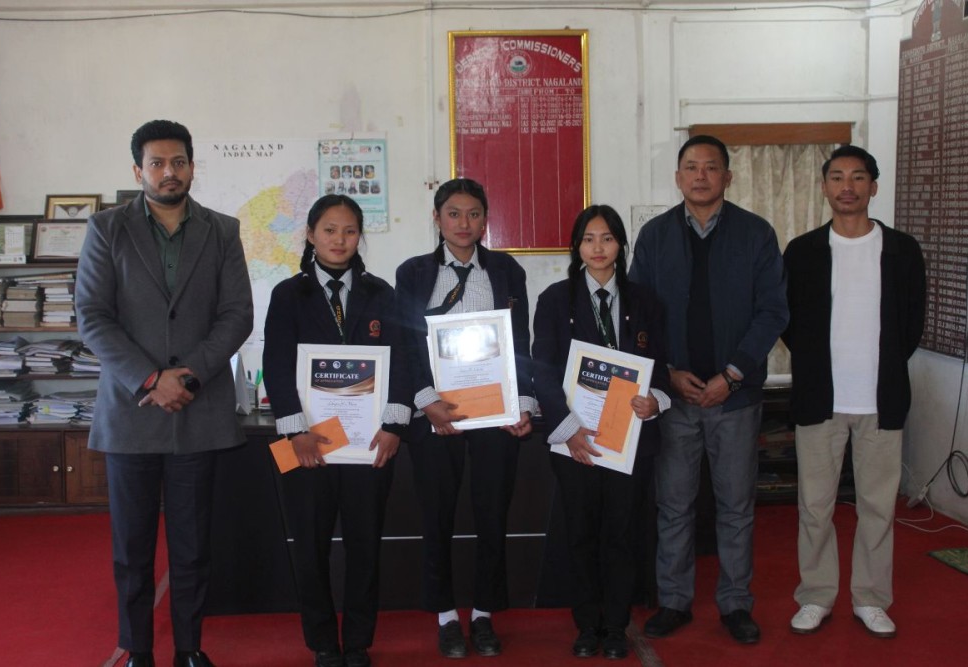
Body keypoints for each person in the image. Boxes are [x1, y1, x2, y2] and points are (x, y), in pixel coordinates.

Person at [76, 119, 253, 667]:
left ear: (192, 166)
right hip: (133, 412)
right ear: (138, 170)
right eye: (156, 163)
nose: (168, 172)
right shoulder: (107, 229)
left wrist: (188, 375)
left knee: (192, 545)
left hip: (198, 410)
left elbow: (236, 315)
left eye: (178, 162)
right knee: (131, 548)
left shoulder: (222, 230)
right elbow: (93, 317)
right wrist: (153, 378)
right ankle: (138, 650)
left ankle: (189, 648)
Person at [629, 134, 788, 644]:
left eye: (711, 167)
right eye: (691, 167)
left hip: (734, 397)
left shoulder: (756, 234)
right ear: (678, 178)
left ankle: (735, 603)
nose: (701, 175)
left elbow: (772, 312)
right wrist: (667, 372)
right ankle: (674, 600)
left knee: (736, 506)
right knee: (673, 505)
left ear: (727, 177)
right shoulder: (654, 236)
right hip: (674, 398)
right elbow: (638, 316)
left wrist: (734, 373)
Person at [782, 145, 925, 639]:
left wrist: (880, 371)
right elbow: (790, 324)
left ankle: (870, 598)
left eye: (858, 177)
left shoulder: (903, 250)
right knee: (815, 506)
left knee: (879, 507)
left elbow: (912, 326)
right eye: (838, 177)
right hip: (820, 400)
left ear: (873, 187)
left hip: (879, 400)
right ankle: (816, 596)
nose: (848, 186)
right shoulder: (802, 251)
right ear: (824, 187)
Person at [262, 194, 410, 667]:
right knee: (311, 546)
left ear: (359, 236)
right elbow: (277, 366)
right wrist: (295, 431)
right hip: (310, 445)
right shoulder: (288, 295)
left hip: (369, 446)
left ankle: (359, 642)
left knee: (366, 546)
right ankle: (324, 642)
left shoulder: (382, 293)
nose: (339, 240)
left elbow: (404, 363)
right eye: (329, 230)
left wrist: (393, 426)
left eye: (348, 231)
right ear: (310, 235)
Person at [394, 178, 535, 659]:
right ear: (437, 219)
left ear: (485, 220)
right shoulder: (413, 273)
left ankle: (484, 615)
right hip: (436, 415)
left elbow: (521, 345)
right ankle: (445, 617)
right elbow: (406, 343)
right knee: (438, 517)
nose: (464, 223)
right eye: (453, 213)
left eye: (474, 214)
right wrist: (426, 399)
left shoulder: (506, 270)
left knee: (492, 514)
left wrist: (523, 404)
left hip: (494, 417)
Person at [532, 205, 671, 659]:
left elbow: (662, 371)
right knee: (581, 534)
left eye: (607, 238)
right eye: (588, 239)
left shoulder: (645, 300)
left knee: (622, 534)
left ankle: (615, 625)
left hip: (629, 443)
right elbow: (543, 370)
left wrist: (657, 403)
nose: (597, 248)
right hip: (575, 441)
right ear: (577, 247)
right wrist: (568, 428)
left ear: (620, 245)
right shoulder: (556, 299)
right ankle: (586, 625)